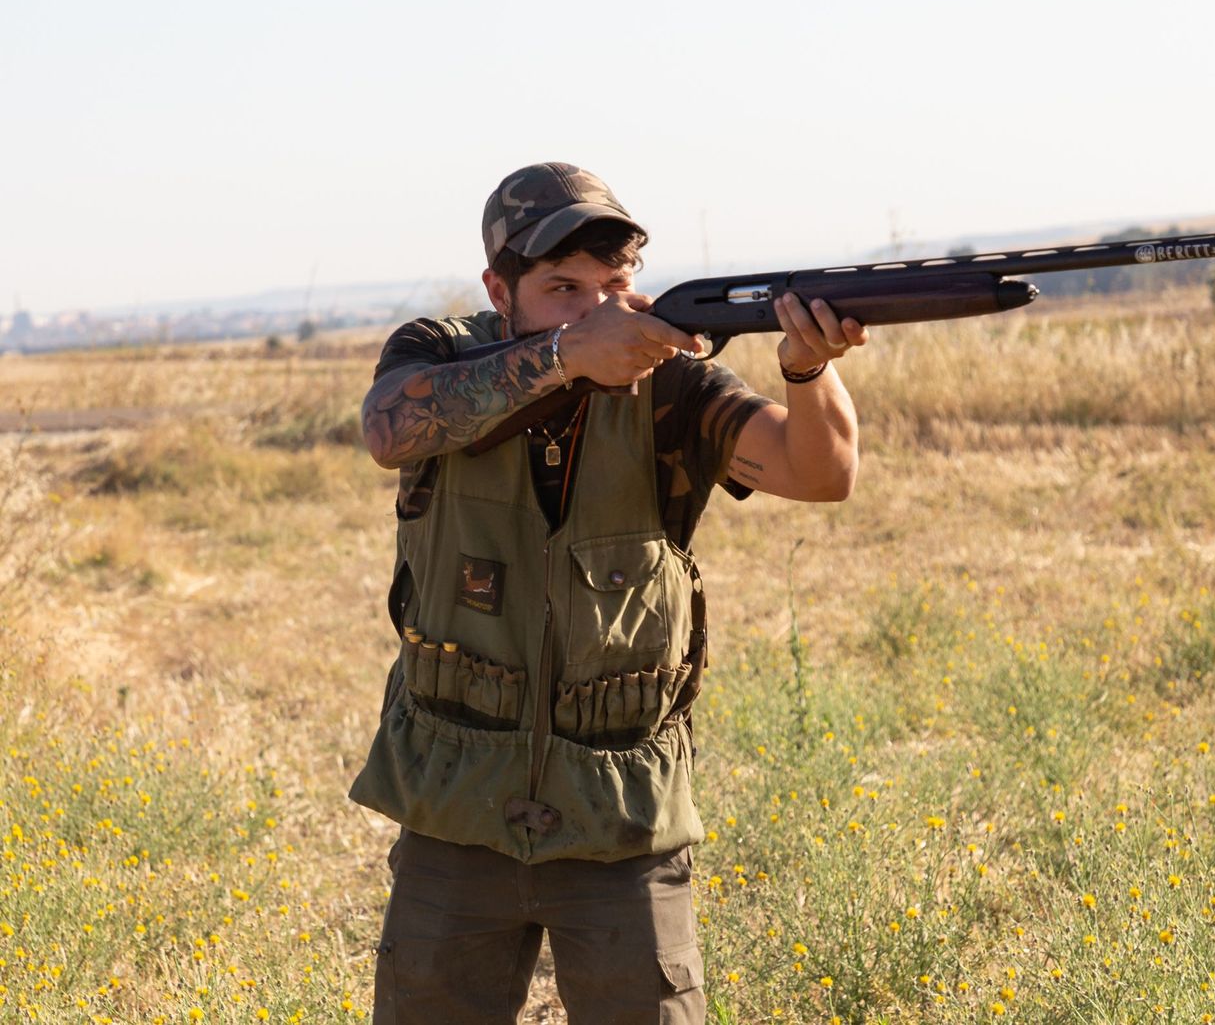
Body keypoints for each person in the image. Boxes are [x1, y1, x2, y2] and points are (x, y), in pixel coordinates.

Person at [348, 162, 868, 1024]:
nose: (594, 309)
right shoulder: (440, 354)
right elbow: (388, 427)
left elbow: (822, 474)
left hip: (621, 814)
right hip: (456, 802)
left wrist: (808, 372)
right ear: (499, 290)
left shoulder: (670, 383)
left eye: (613, 286)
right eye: (562, 289)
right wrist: (563, 359)